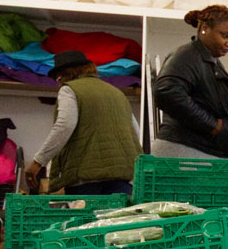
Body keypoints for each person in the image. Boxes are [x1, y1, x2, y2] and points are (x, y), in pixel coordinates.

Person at [24, 50, 141, 195]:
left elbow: (64, 126)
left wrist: (37, 162)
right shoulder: (117, 93)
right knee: (116, 217)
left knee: (86, 217)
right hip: (122, 175)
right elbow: (135, 132)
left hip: (86, 176)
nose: (58, 83)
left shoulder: (70, 90)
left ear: (65, 74)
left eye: (58, 79)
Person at [152, 5, 228, 159]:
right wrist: (213, 126)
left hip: (197, 151)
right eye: (225, 35)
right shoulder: (188, 55)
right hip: (186, 151)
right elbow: (166, 91)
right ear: (204, 28)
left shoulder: (209, 60)